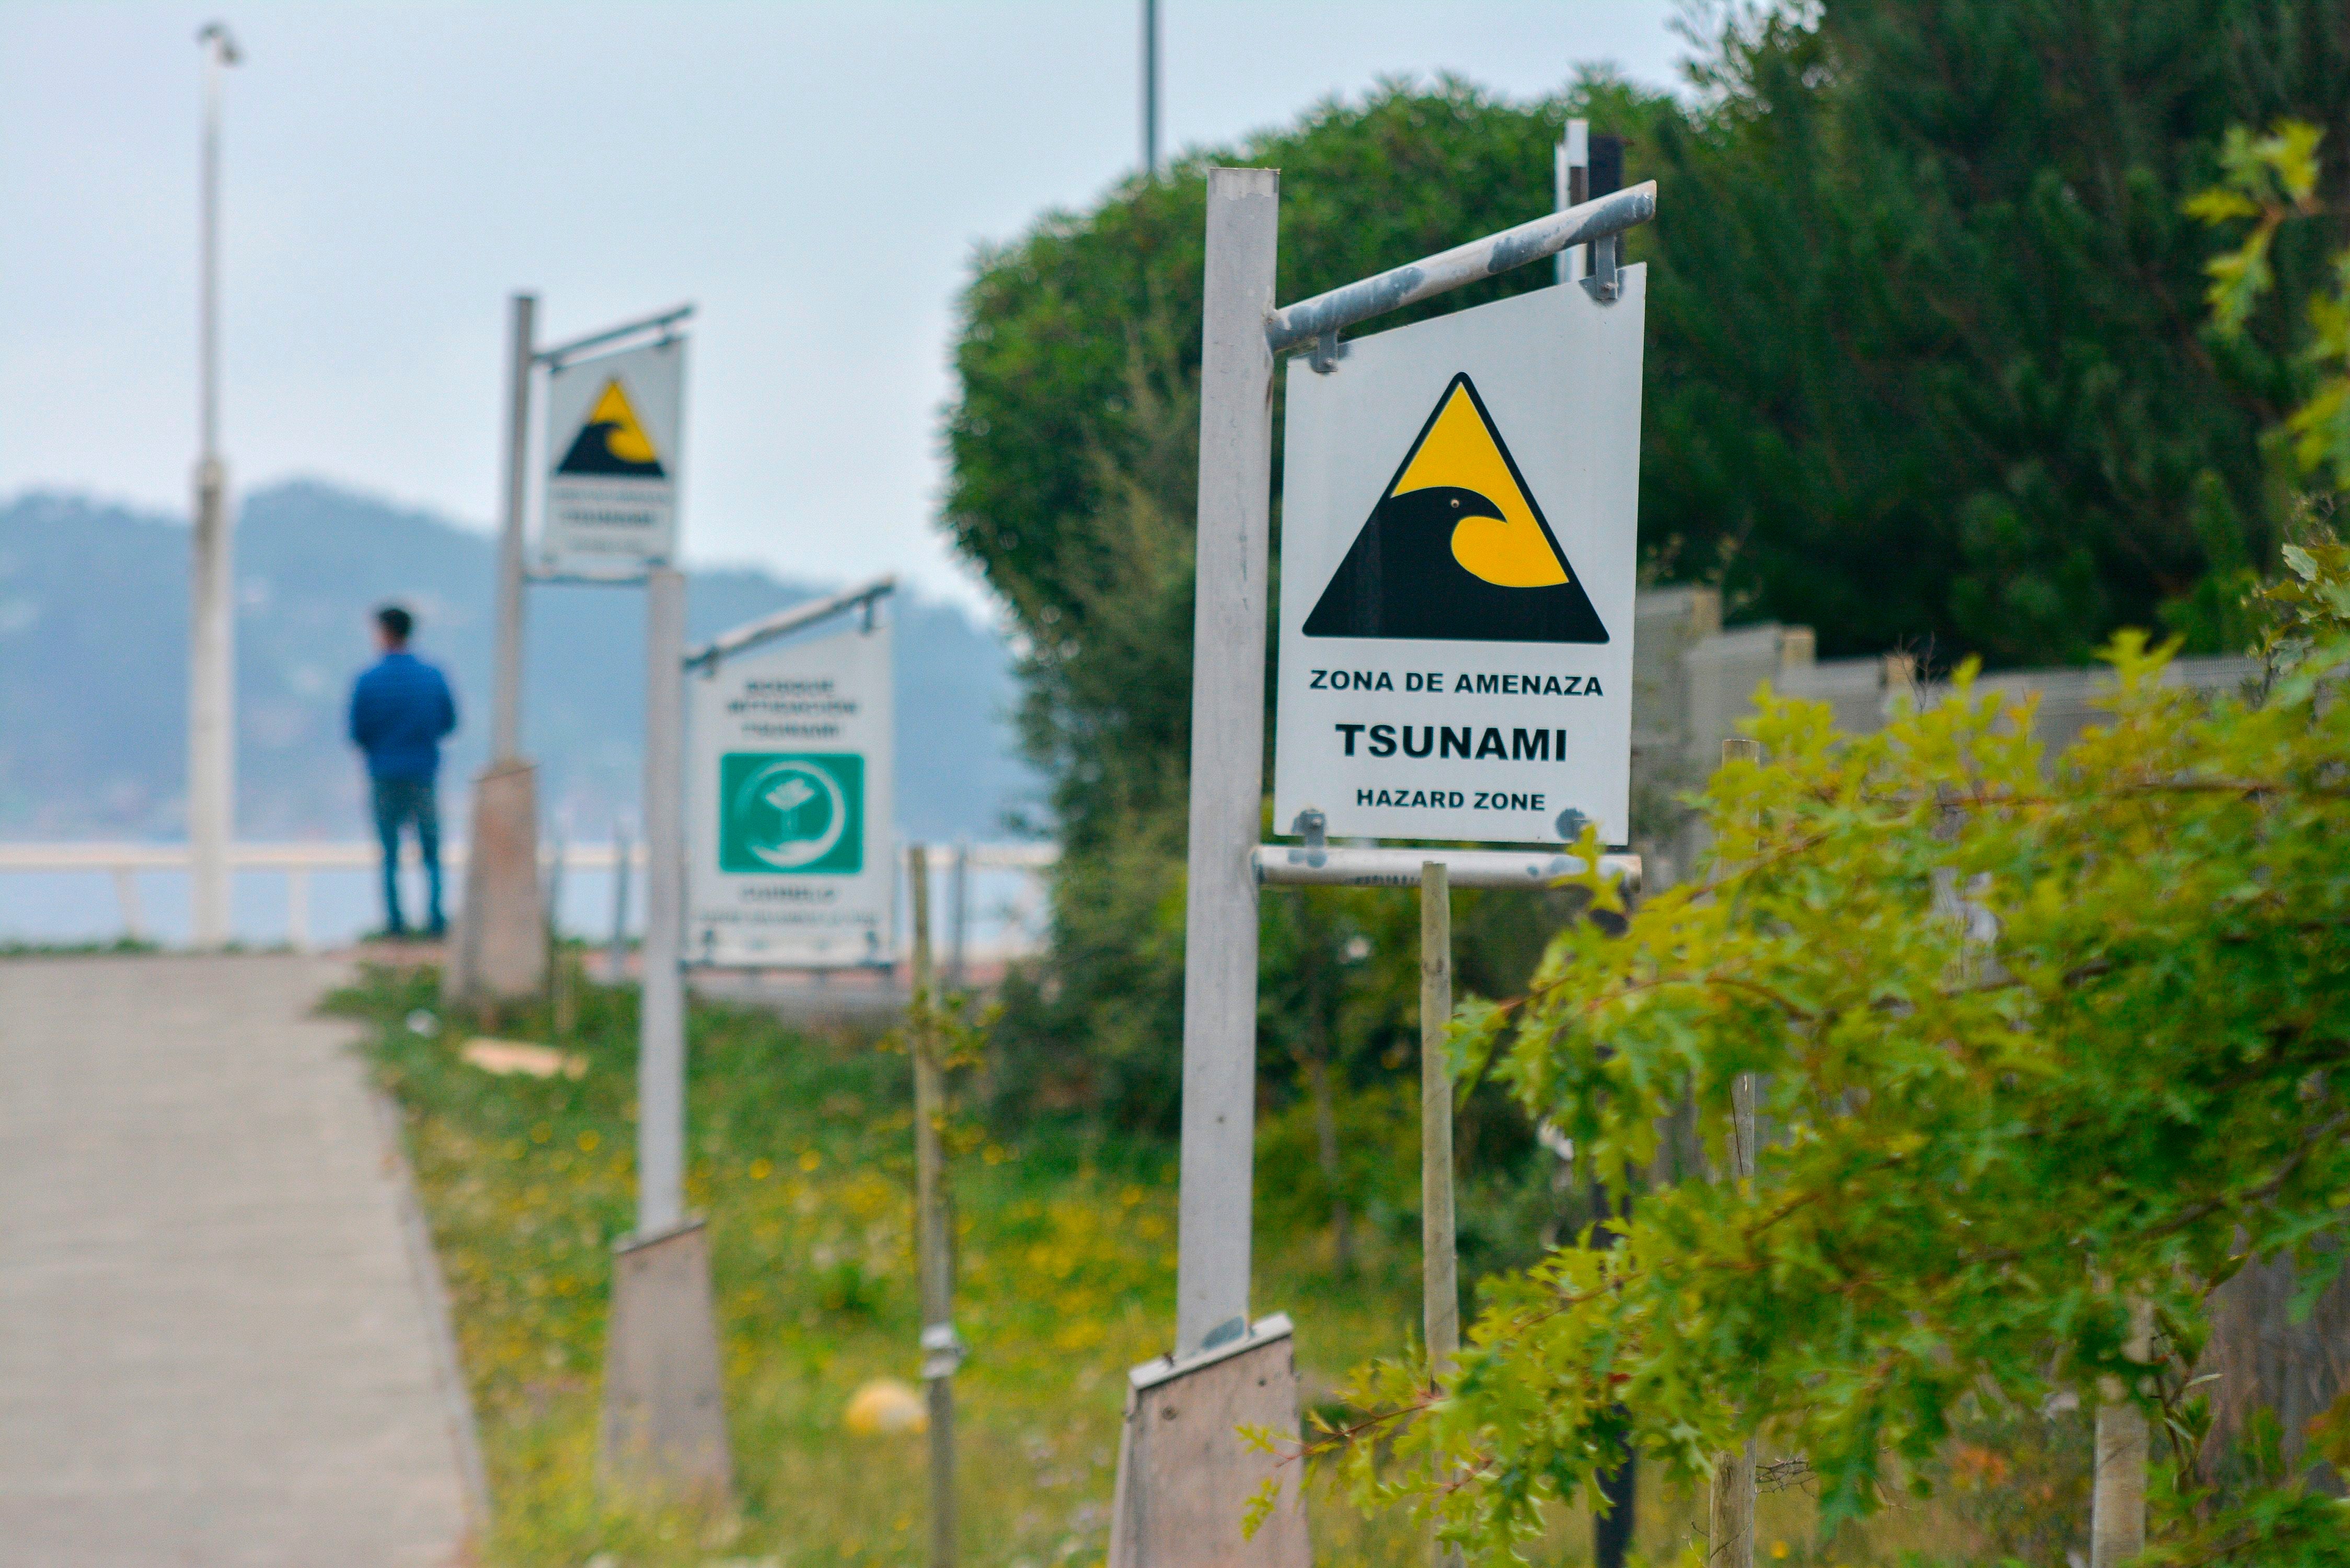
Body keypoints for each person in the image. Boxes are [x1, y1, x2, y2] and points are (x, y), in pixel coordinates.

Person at [348, 604, 458, 938]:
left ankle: (395, 925)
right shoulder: (432, 676)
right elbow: (449, 722)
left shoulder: (369, 680)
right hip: (424, 772)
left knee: (389, 853)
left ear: (384, 632)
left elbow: (357, 731)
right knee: (431, 851)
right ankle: (436, 921)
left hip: (383, 772)